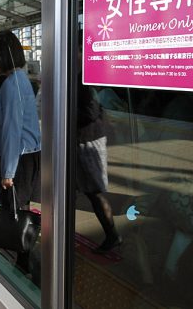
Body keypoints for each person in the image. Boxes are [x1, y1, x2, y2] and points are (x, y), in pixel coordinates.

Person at [0, 31, 41, 271]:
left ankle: (23, 259)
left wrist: (8, 171)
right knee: (18, 206)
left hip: (19, 157)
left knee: (16, 208)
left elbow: (12, 130)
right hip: (23, 155)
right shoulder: (18, 79)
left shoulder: (12, 85)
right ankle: (22, 255)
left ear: (0, 56)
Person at [77, 77, 122, 253]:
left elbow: (91, 111)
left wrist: (65, 109)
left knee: (94, 193)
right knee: (87, 191)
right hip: (82, 139)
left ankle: (112, 235)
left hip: (89, 141)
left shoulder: (83, 79)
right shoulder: (75, 75)